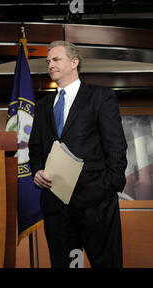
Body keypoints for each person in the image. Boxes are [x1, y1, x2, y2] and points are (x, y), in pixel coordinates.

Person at [28, 41, 127, 267]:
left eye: (56, 59)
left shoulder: (101, 97)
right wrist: (37, 172)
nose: (50, 65)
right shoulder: (42, 106)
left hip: (96, 202)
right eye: (48, 61)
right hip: (56, 205)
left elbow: (116, 147)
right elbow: (35, 149)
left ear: (74, 62)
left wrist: (109, 186)